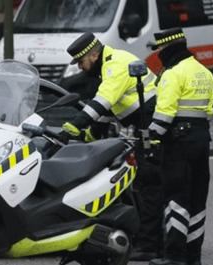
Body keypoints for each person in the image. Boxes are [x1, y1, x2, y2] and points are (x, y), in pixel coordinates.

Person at [62, 32, 164, 261]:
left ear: (94, 54)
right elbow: (111, 109)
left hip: (152, 127)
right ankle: (153, 241)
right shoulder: (107, 65)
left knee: (149, 187)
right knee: (145, 187)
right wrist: (90, 133)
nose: (80, 67)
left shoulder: (115, 65)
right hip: (145, 127)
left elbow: (102, 102)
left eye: (81, 61)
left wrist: (73, 127)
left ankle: (150, 246)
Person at [147, 28, 213, 265]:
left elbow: (164, 114)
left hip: (177, 143)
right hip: (201, 140)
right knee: (197, 200)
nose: (158, 55)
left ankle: (174, 257)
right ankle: (193, 257)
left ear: (167, 49)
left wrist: (151, 138)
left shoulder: (172, 74)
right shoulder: (204, 72)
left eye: (159, 51)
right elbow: (208, 112)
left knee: (176, 199)